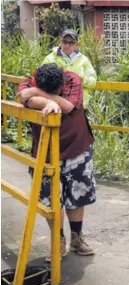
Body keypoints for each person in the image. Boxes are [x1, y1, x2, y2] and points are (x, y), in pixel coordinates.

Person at [18, 63, 96, 262]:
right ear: (37, 82)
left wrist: (41, 97)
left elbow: (68, 106)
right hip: (46, 152)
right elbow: (22, 97)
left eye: (57, 91)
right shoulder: (30, 81)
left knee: (77, 195)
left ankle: (77, 239)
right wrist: (47, 102)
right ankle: (57, 241)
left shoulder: (72, 79)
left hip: (76, 147)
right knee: (52, 199)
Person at [42, 29, 97, 109]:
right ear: (60, 42)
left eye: (71, 42)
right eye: (64, 41)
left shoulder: (84, 60)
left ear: (76, 44)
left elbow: (93, 82)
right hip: (56, 105)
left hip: (79, 107)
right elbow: (41, 79)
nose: (67, 45)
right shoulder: (49, 59)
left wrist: (83, 80)